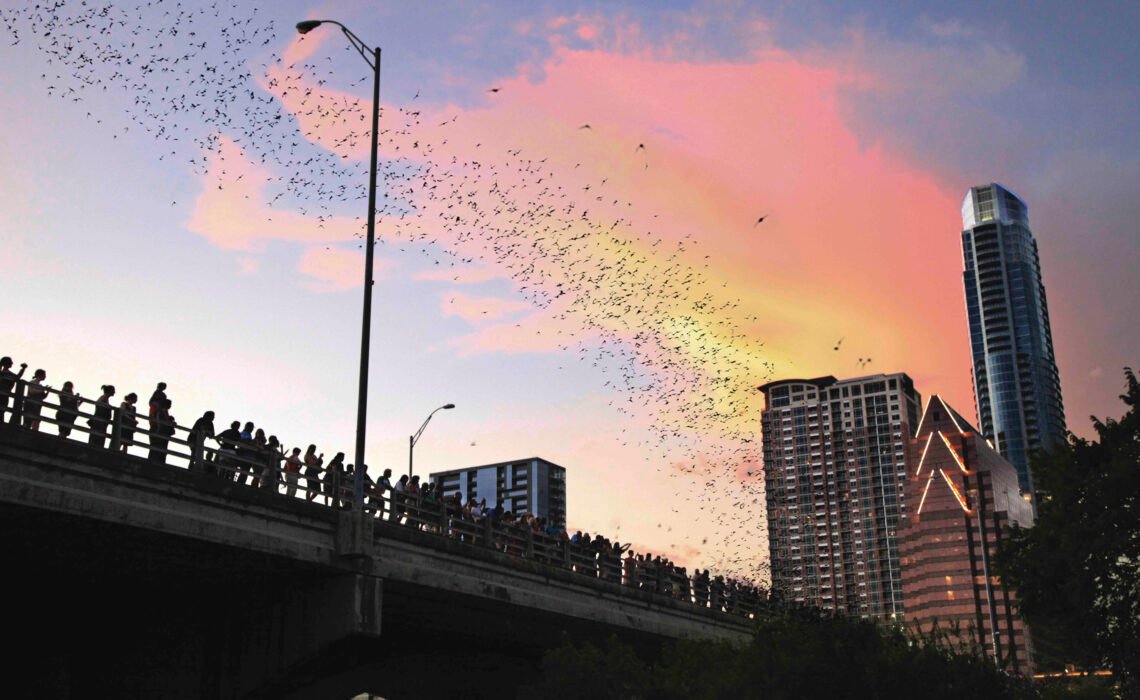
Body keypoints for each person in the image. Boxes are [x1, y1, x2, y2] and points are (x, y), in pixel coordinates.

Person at [0, 357, 27, 423]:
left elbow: (17, 377)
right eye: (10, 362)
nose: (12, 363)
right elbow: (17, 377)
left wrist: (23, 369)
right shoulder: (6, 374)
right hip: (4, 395)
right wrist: (23, 369)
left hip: (5, 396)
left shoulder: (6, 373)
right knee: (2, 411)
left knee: (2, 411)